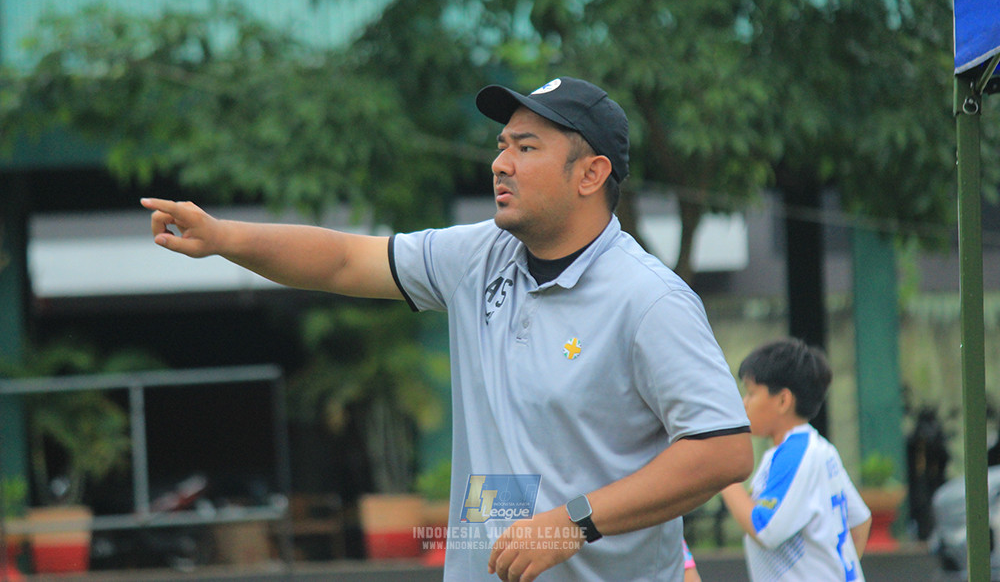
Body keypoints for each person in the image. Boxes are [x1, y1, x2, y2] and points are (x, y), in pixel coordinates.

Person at [142, 76, 753, 582]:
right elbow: (343, 260)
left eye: (526, 148)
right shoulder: (478, 257)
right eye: (502, 145)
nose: (500, 164)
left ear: (590, 174)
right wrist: (224, 238)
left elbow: (722, 449)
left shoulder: (650, 299)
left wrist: (573, 521)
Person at [720, 338, 872, 581]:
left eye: (751, 393)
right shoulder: (818, 448)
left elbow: (765, 528)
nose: (744, 403)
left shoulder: (796, 453)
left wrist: (724, 477)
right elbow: (861, 521)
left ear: (783, 401)